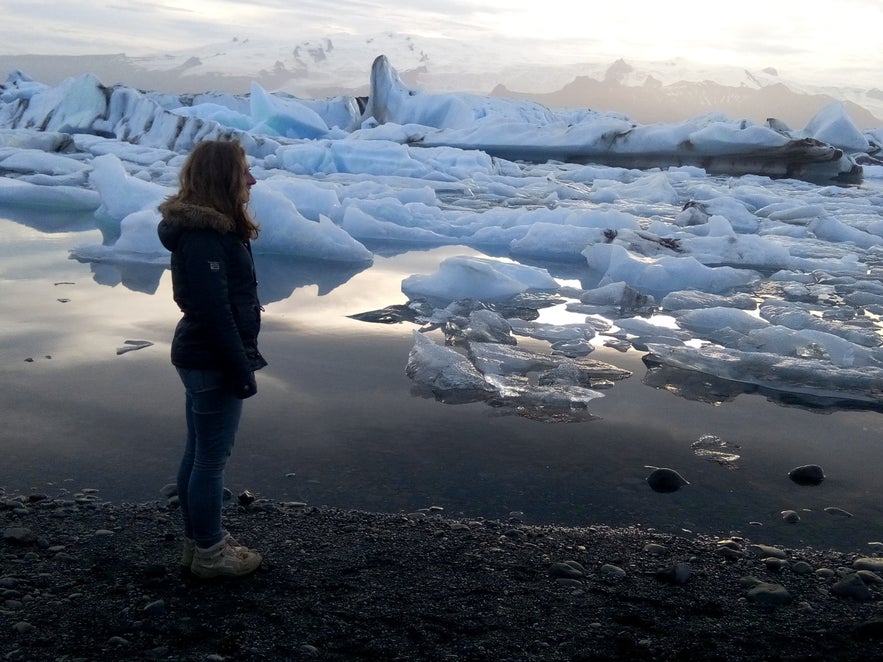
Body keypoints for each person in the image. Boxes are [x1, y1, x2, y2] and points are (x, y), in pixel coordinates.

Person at [157, 139, 266, 578]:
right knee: (210, 458)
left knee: (198, 451)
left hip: (202, 355)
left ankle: (197, 543)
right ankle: (210, 553)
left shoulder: (212, 231)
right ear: (223, 177)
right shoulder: (204, 237)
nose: (252, 180)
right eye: (244, 172)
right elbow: (213, 311)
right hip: (212, 358)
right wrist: (240, 369)